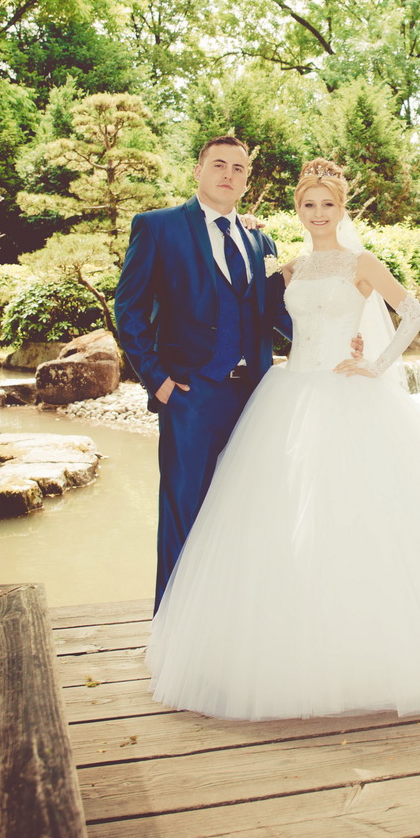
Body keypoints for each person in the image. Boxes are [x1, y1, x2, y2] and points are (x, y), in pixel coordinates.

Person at [146, 158, 420, 720]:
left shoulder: (362, 262)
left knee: (365, 513)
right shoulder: (287, 270)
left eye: (328, 205)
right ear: (298, 210)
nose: (318, 214)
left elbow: (413, 312)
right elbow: (255, 321)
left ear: (342, 210)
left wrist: (378, 362)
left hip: (351, 393)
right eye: (308, 205)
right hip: (291, 396)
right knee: (279, 518)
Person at [114, 135, 293, 609]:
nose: (228, 174)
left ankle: (230, 623)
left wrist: (331, 344)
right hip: (190, 395)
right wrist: (159, 381)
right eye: (219, 164)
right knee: (183, 511)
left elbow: (275, 312)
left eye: (238, 168)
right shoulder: (158, 228)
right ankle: (172, 630)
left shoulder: (260, 238)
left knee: (245, 510)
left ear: (246, 180)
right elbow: (128, 311)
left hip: (255, 398)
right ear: (198, 171)